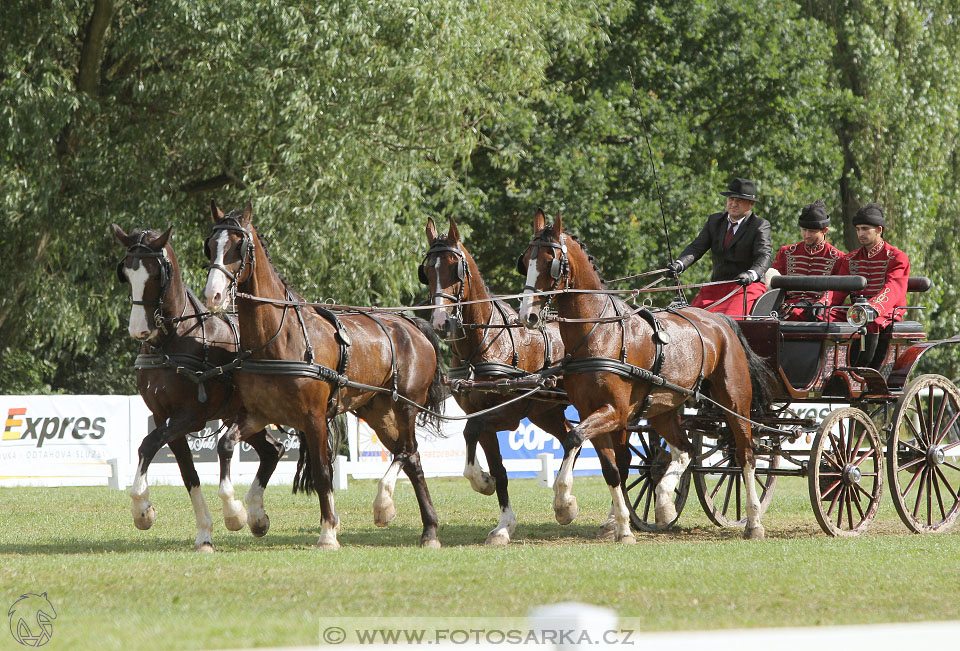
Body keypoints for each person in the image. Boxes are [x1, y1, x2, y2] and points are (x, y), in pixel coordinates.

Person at [667, 177, 772, 317]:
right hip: (716, 287)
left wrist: (751, 274)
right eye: (731, 199)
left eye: (739, 200)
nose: (733, 204)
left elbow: (764, 255)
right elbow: (696, 247)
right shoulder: (715, 221)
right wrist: (679, 265)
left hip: (746, 287)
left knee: (727, 320)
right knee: (690, 318)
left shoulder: (759, 225)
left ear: (751, 203)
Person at [827, 202, 910, 332]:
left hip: (887, 310)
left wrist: (873, 308)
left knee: (869, 320)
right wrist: (822, 304)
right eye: (858, 229)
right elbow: (837, 290)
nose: (860, 233)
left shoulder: (897, 257)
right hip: (856, 310)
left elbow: (892, 289)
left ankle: (866, 353)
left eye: (865, 229)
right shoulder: (849, 259)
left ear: (879, 230)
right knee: (823, 316)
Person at [766, 199, 843, 321]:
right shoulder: (786, 252)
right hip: (787, 309)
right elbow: (774, 286)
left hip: (818, 310)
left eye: (812, 231)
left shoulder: (838, 257)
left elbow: (837, 291)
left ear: (825, 231)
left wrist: (822, 304)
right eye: (804, 230)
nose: (806, 235)